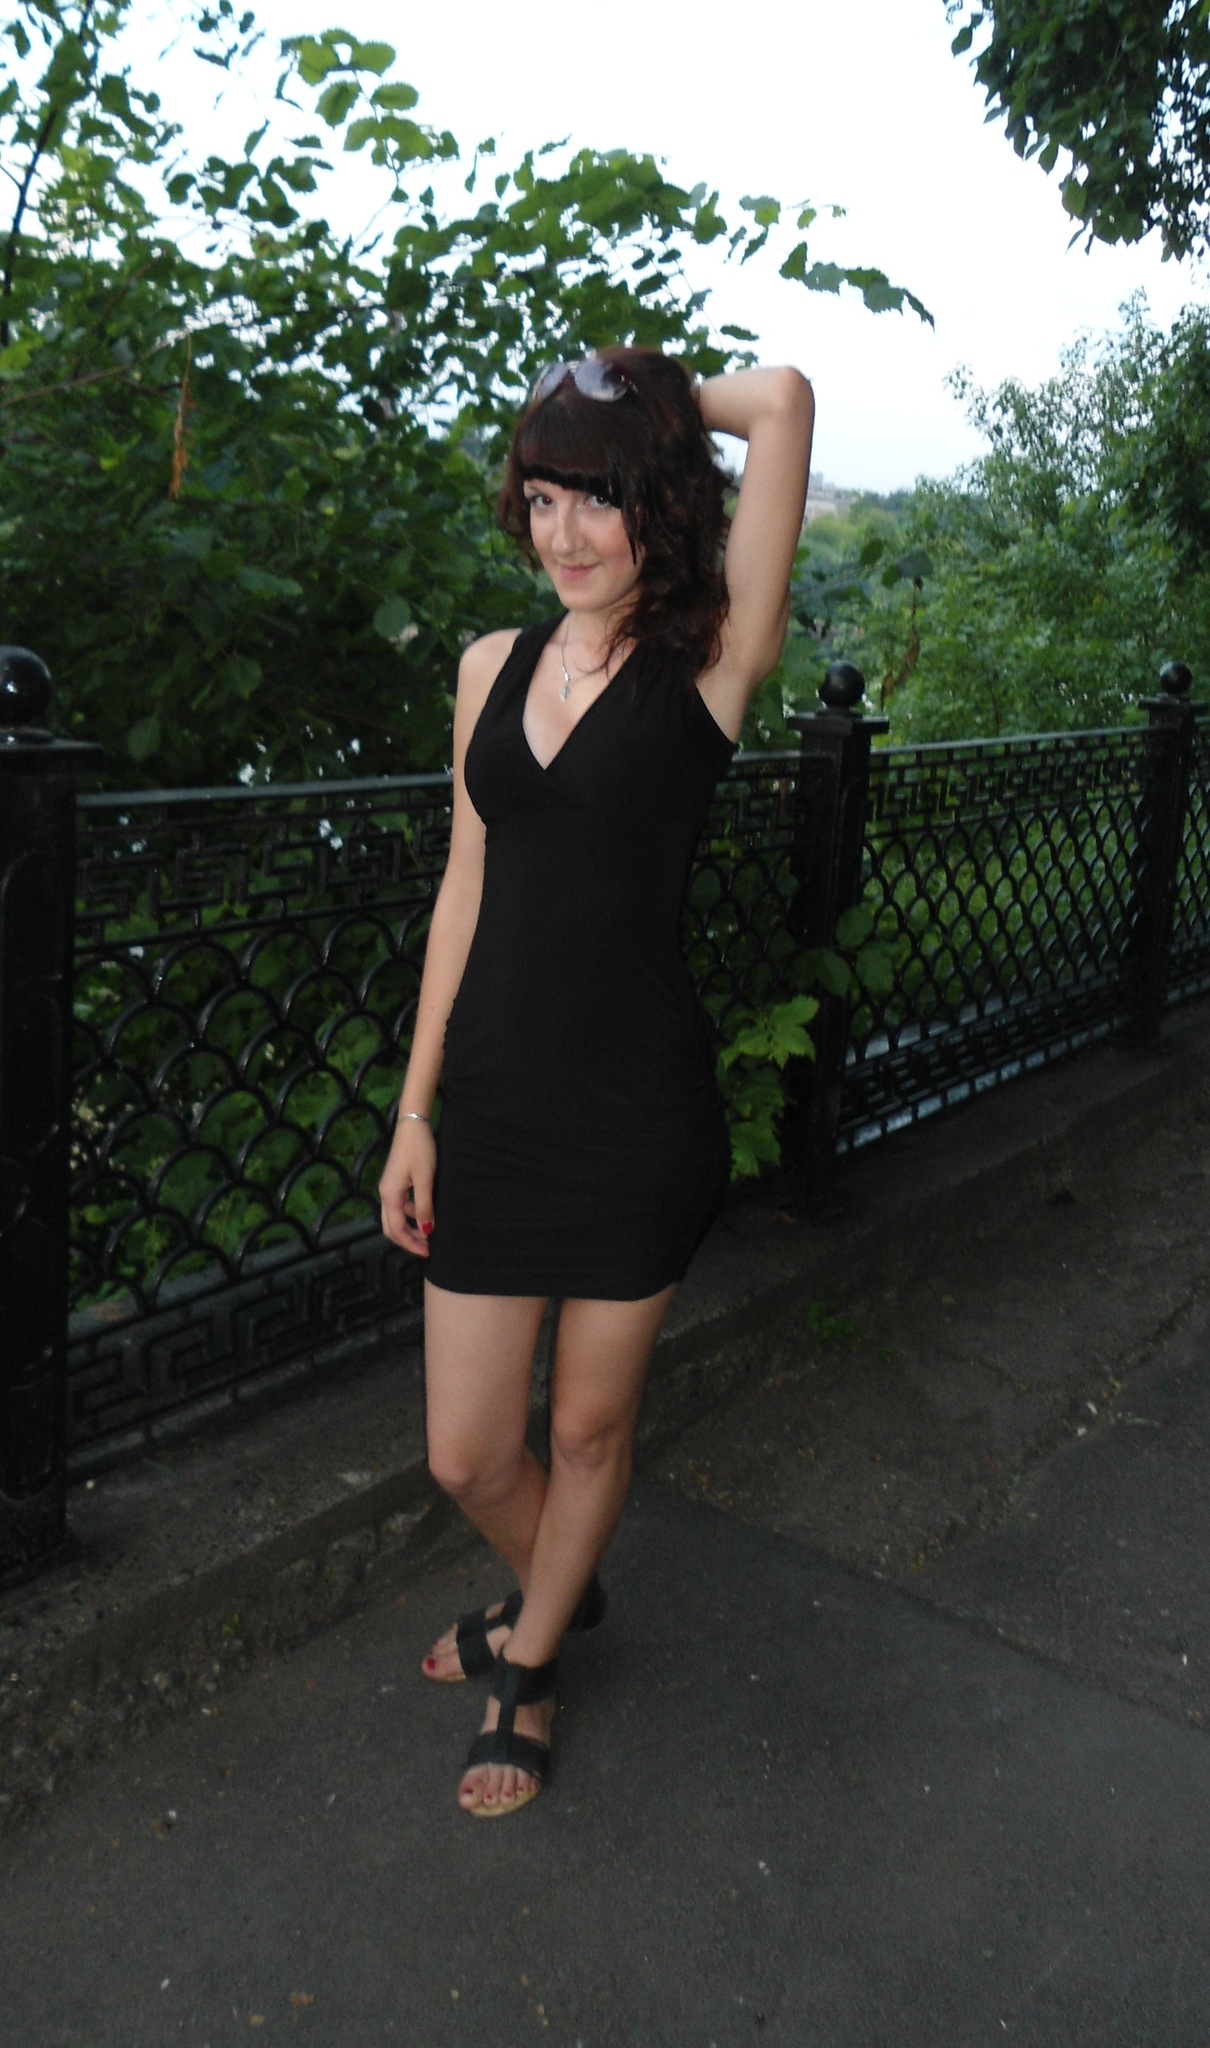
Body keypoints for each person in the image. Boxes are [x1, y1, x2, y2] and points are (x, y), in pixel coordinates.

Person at [378, 346, 814, 1817]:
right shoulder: (487, 669)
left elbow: (784, 399)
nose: (563, 532)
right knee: (465, 1454)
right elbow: (464, 892)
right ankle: (561, 1584)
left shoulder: (714, 660)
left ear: (660, 506)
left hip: (638, 1120)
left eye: (600, 497)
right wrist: (415, 1111)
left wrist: (639, 392)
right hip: (496, 1110)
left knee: (581, 1435)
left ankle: (532, 1661)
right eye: (544, 496)